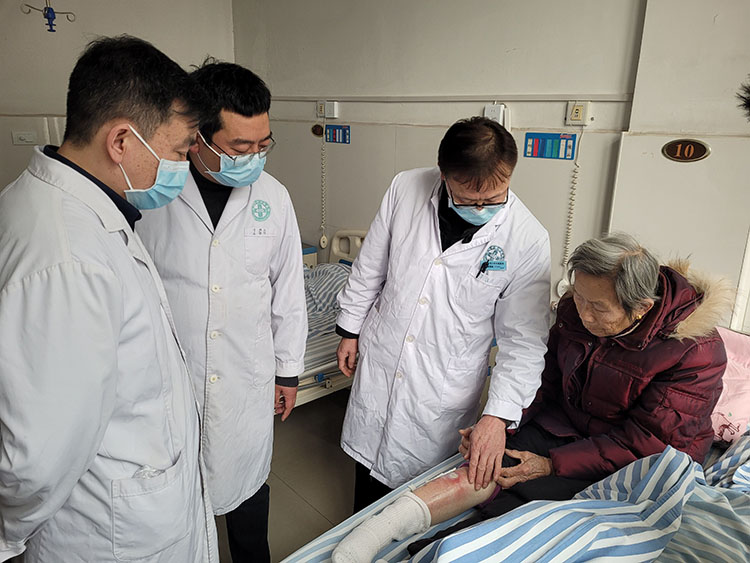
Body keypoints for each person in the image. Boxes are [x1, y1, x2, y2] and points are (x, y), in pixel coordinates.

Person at [332, 233, 730, 562]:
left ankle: (443, 550)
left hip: (640, 459)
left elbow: (645, 442)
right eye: (578, 297)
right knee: (489, 462)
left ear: (641, 308)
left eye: (598, 307)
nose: (583, 314)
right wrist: (501, 422)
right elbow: (543, 381)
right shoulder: (576, 312)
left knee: (535, 506)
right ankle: (379, 531)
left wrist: (552, 464)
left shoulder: (696, 352)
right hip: (568, 425)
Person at [0, 36, 218, 562]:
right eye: (178, 150)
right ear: (121, 140)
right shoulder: (69, 258)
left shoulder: (80, 209)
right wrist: (8, 534)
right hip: (109, 532)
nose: (183, 164)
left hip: (133, 501)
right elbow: (36, 458)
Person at [335, 117, 552, 511]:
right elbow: (370, 265)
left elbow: (523, 341)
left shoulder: (527, 238)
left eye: (495, 198)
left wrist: (498, 416)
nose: (482, 208)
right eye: (469, 198)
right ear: (444, 174)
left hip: (441, 386)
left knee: (420, 501)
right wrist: (350, 328)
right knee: (365, 479)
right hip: (385, 356)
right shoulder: (405, 187)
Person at [137, 61, 307, 562]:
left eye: (263, 145)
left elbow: (288, 291)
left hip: (245, 381)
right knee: (175, 508)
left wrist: (288, 371)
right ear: (197, 139)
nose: (253, 158)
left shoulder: (274, 198)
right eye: (239, 147)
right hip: (171, 378)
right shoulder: (151, 195)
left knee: (248, 498)